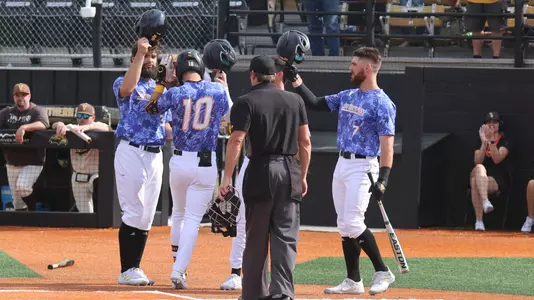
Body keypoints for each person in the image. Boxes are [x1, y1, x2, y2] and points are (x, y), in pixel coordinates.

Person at [284, 47, 396, 295]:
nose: (350, 68)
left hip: (364, 166)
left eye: (354, 64)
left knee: (354, 222)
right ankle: (353, 280)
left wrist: (383, 179)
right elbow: (315, 103)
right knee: (344, 225)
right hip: (342, 163)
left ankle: (382, 271)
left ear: (368, 68)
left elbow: (387, 145)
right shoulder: (348, 95)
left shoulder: (383, 103)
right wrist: (296, 79)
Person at [218, 55, 312, 300]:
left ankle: (253, 293)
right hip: (290, 168)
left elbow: (237, 140)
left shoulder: (245, 101)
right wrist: (302, 175)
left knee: (256, 236)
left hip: (260, 169)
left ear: (253, 75)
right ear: (276, 75)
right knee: (285, 237)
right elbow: (306, 142)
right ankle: (282, 293)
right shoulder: (295, 100)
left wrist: (227, 178)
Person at [145, 49, 230, 289]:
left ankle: (177, 264)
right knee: (192, 218)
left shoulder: (174, 92)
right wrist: (225, 85)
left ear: (180, 70)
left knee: (179, 215)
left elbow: (151, 108)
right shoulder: (216, 89)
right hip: (205, 162)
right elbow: (231, 115)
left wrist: (162, 81)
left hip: (180, 160)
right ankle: (178, 270)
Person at [112, 38, 172, 286]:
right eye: (145, 57)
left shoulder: (162, 89)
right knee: (133, 210)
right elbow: (126, 89)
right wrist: (139, 52)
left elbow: (165, 124)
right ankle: (127, 269)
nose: (149, 61)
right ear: (134, 59)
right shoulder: (125, 82)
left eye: (152, 58)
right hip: (131, 150)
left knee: (147, 215)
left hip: (155, 154)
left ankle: (135, 267)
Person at [52, 103, 111, 213]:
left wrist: (89, 127)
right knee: (85, 213)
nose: (82, 120)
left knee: (99, 185)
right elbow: (54, 125)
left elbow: (108, 128)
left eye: (85, 116)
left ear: (93, 117)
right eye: (79, 116)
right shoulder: (72, 128)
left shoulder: (97, 126)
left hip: (95, 175)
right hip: (78, 176)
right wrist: (59, 124)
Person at [0, 83, 49, 211]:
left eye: (24, 95)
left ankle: (32, 212)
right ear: (14, 97)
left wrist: (24, 127)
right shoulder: (7, 112)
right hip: (12, 162)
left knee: (23, 187)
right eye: (17, 95)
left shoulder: (37, 110)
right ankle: (22, 227)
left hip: (32, 162)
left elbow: (44, 123)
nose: (21, 98)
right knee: (17, 204)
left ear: (29, 96)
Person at [470, 111, 510, 231]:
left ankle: (479, 221)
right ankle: (485, 201)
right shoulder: (479, 140)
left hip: (495, 179)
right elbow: (477, 161)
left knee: (474, 183)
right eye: (489, 122)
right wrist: (483, 143)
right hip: (480, 173)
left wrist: (492, 141)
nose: (492, 125)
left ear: (499, 124)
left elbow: (497, 159)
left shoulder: (504, 141)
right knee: (479, 168)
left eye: (495, 122)